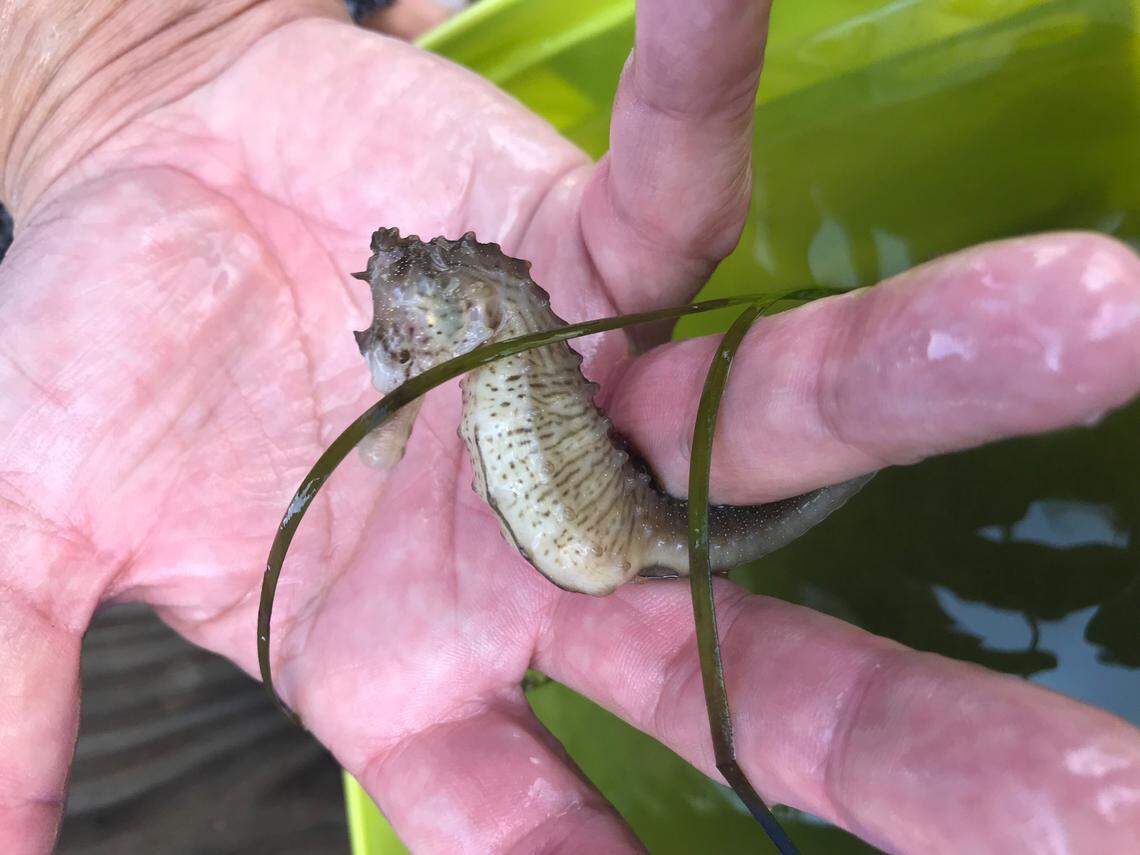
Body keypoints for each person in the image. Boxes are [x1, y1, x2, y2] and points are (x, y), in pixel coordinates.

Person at [1, 1, 1138, 852]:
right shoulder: (456, 332)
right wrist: (105, 85)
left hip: (593, 502)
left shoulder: (479, 323)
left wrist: (151, 43)